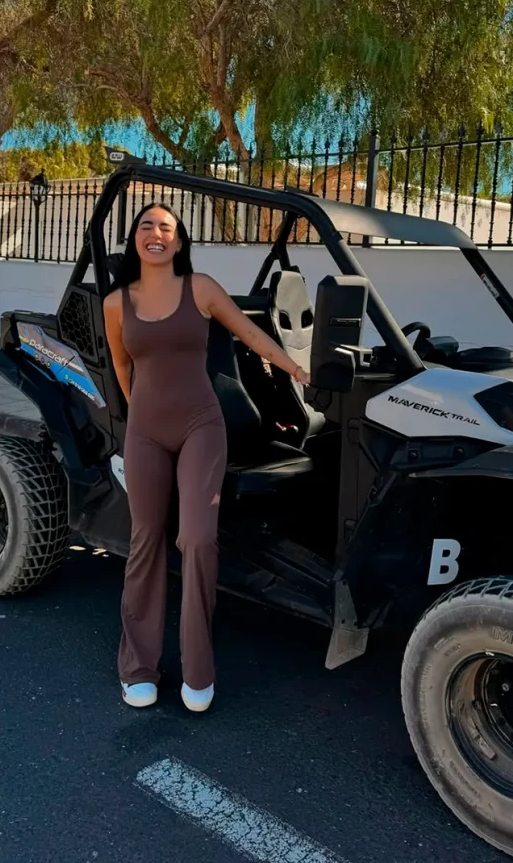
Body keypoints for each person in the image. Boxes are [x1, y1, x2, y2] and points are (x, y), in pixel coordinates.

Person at [103, 202, 309, 712]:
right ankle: (139, 667)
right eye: (146, 226)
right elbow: (122, 368)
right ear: (135, 239)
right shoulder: (115, 303)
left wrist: (300, 372)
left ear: (179, 241)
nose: (156, 233)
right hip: (147, 431)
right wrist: (144, 420)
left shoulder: (201, 288)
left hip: (202, 425)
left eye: (166, 228)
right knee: (145, 539)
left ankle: (198, 669)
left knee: (196, 538)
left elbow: (252, 335)